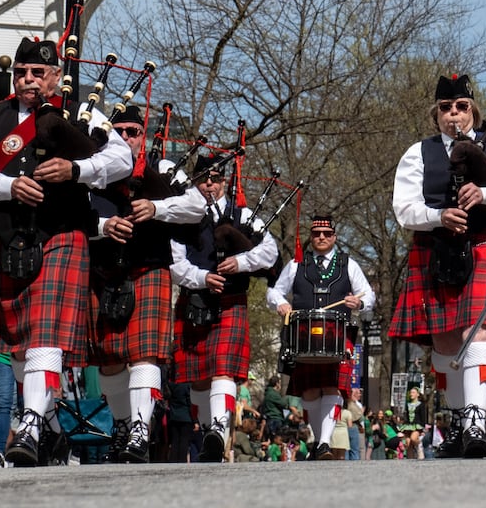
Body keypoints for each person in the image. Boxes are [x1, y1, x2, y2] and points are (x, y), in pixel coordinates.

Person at [0, 36, 134, 467]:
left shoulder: (82, 118)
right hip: (5, 236)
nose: (28, 79)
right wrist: (9, 185)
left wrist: (77, 169)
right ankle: (50, 424)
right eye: (21, 72)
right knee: (15, 344)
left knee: (45, 333)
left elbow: (122, 160)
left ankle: (32, 422)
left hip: (60, 236)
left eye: (38, 73)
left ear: (56, 77)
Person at [389, 74, 486, 459]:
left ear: (473, 109)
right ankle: (457, 423)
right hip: (438, 248)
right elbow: (403, 208)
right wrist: (438, 216)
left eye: (461, 107)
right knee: (446, 343)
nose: (454, 115)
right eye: (446, 108)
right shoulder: (419, 152)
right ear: (436, 114)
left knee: (478, 334)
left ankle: (477, 425)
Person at [88, 103, 207, 463]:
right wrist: (103, 227)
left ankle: (140, 429)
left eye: (133, 132)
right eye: (119, 131)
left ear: (144, 135)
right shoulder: (96, 168)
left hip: (149, 268)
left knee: (144, 353)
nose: (125, 137)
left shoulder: (164, 167)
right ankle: (123, 426)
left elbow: (197, 206)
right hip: (105, 270)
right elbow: (76, 213)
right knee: (108, 358)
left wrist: (157, 208)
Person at [170, 151, 278, 463]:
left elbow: (269, 252)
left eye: (215, 179)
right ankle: (209, 435)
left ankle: (218, 427)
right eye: (203, 179)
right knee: (199, 377)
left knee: (222, 369)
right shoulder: (184, 215)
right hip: (195, 300)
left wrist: (241, 261)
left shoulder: (242, 214)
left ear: (224, 182)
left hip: (231, 302)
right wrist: (203, 278)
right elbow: (176, 265)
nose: (209, 185)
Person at [267, 213, 374, 460]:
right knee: (310, 392)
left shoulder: (348, 264)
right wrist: (281, 304)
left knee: (332, 386)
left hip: (338, 335)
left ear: (335, 237)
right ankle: (318, 442)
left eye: (326, 234)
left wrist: (359, 302)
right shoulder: (296, 264)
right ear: (311, 237)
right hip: (303, 335)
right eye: (316, 234)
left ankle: (324, 442)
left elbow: (369, 295)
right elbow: (274, 292)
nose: (321, 237)